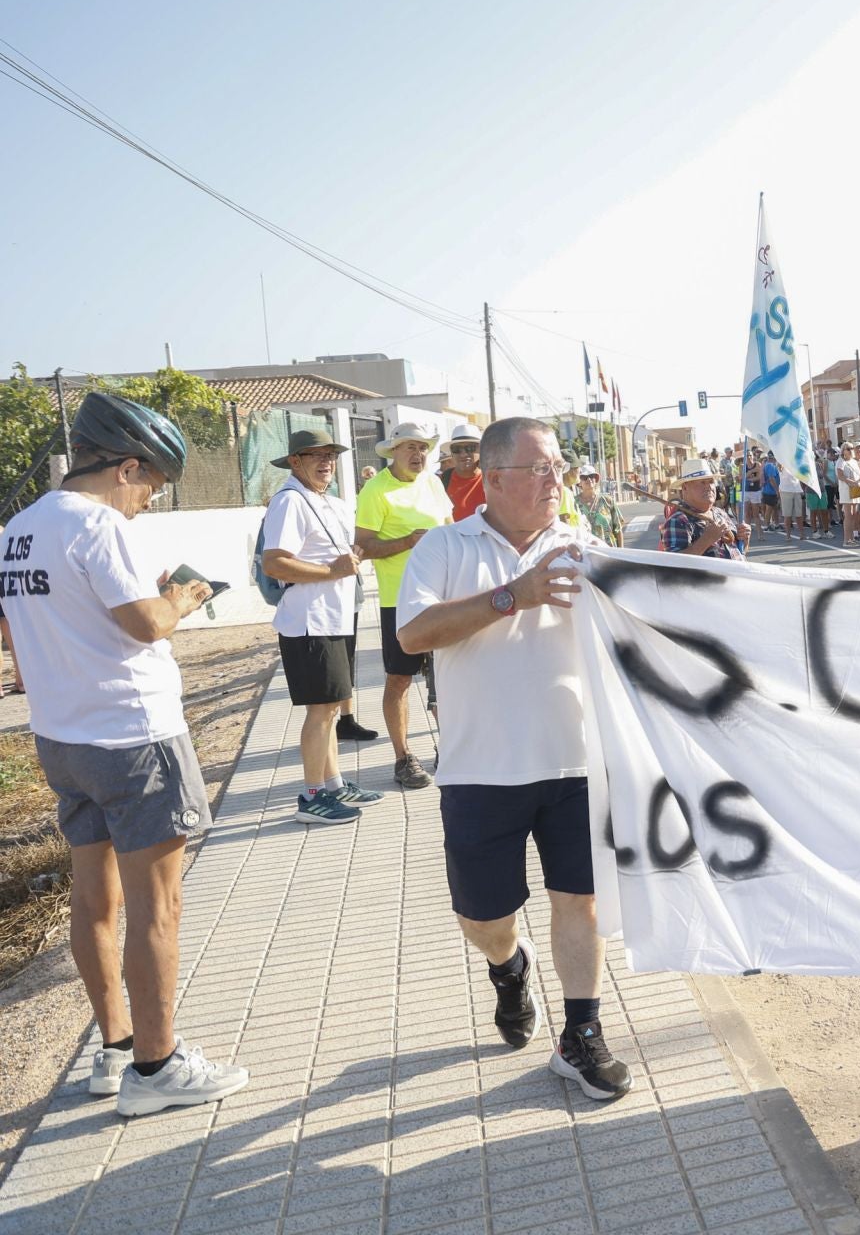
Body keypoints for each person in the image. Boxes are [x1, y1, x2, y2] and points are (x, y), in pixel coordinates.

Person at [0, 391, 248, 1115]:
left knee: (93, 897)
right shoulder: (100, 524)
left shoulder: (19, 528)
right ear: (126, 467)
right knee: (157, 907)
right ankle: (157, 1067)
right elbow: (145, 625)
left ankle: (114, 1050)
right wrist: (187, 598)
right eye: (152, 486)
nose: (148, 502)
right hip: (134, 737)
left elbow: (16, 634)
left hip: (64, 737)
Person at [395, 416, 632, 1100]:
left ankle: (579, 1035)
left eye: (558, 467)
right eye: (538, 469)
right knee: (484, 920)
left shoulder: (582, 545)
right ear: (493, 480)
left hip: (573, 764)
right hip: (481, 771)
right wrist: (512, 596)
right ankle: (507, 966)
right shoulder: (444, 546)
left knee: (578, 905)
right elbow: (413, 635)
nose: (555, 479)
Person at [261, 429, 382, 825]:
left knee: (330, 709)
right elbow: (274, 562)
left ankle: (333, 785)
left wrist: (349, 557)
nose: (326, 461)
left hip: (334, 617)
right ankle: (311, 797)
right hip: (309, 622)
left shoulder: (325, 500)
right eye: (316, 455)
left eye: (330, 454)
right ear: (295, 461)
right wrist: (332, 569)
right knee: (321, 711)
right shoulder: (289, 502)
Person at [354, 422, 453, 791]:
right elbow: (363, 546)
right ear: (392, 452)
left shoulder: (433, 483)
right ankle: (402, 757)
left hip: (441, 597)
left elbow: (450, 528)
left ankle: (451, 748)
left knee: (448, 677)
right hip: (399, 601)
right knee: (399, 680)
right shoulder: (376, 490)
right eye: (410, 447)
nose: (418, 454)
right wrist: (409, 541)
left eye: (423, 447)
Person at [662, 459, 749, 560]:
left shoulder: (720, 513)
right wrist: (706, 540)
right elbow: (673, 564)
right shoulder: (679, 520)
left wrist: (745, 540)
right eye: (702, 482)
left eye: (711, 482)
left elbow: (740, 552)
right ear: (685, 488)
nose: (709, 487)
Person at [442, 423, 486, 522]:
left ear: (481, 450)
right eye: (456, 449)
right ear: (451, 453)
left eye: (470, 448)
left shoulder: (492, 480)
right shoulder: (441, 482)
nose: (463, 454)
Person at [576, 466, 623, 547]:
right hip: (585, 551)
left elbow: (618, 529)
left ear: (596, 479)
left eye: (591, 476)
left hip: (609, 551)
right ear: (579, 482)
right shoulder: (574, 503)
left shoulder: (608, 500)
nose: (588, 479)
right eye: (584, 477)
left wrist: (622, 552)